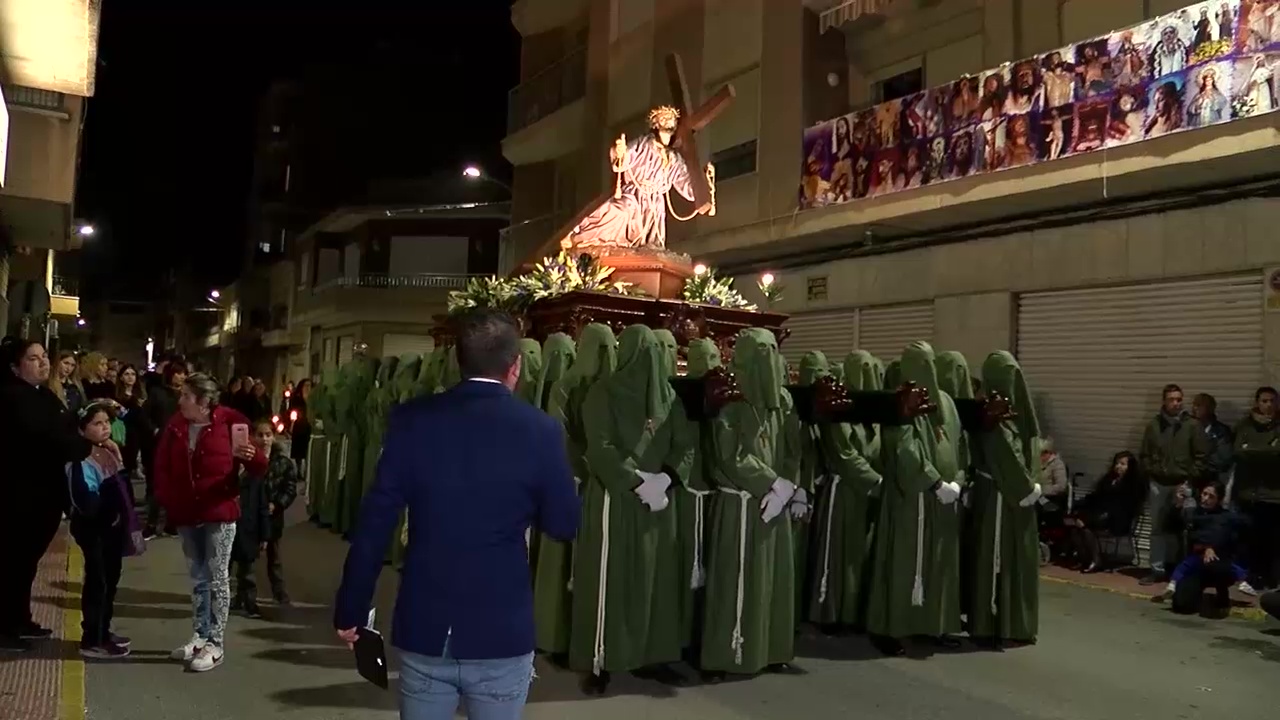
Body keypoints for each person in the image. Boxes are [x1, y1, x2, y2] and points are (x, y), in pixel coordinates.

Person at [333, 308, 580, 720]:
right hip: (500, 626)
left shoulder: (411, 420)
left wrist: (352, 608)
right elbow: (564, 523)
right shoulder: (540, 430)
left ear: (456, 362)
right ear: (515, 365)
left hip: (425, 623)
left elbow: (375, 523)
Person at [569, 325, 695, 694]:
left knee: (656, 580)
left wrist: (666, 479)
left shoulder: (669, 396)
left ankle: (653, 654)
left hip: (655, 500)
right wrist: (641, 481)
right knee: (611, 579)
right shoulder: (603, 392)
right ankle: (601, 657)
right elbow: (599, 447)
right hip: (617, 498)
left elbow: (684, 445)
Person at [699, 328, 802, 678]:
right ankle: (725, 655)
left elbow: (791, 450)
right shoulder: (730, 402)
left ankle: (772, 649)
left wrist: (787, 486)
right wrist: (770, 482)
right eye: (762, 353)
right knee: (735, 581)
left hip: (775, 502)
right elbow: (731, 456)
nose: (771, 360)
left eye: (774, 351)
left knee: (773, 580)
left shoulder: (782, 403)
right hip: (741, 504)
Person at [154, 373, 267, 673]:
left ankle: (215, 643)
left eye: (186, 396)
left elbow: (259, 466)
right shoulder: (176, 425)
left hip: (219, 512)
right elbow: (162, 465)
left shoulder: (230, 420)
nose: (180, 401)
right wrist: (168, 499)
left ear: (204, 402)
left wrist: (252, 455)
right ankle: (200, 634)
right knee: (198, 576)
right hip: (187, 514)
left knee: (218, 578)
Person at [865, 341, 965, 657]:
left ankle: (933, 622)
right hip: (911, 500)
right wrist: (934, 481)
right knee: (903, 561)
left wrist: (959, 478)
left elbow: (959, 442)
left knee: (938, 563)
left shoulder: (946, 402)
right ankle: (892, 628)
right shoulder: (899, 402)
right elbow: (903, 448)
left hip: (943, 498)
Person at [0, 340, 100, 652]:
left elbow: (63, 428)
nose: (44, 363)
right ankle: (5, 627)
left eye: (45, 357)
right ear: (16, 367)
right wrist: (85, 444)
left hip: (42, 494)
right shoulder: (13, 397)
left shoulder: (42, 394)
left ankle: (19, 618)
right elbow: (48, 439)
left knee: (26, 562)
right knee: (12, 562)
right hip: (19, 495)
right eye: (33, 359)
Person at [968, 352, 1043, 648]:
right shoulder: (991, 417)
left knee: (1013, 560)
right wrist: (1027, 487)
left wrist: (1032, 483)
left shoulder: (1011, 414)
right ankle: (994, 622)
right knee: (997, 559)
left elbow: (1029, 445)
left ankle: (1011, 621)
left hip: (1012, 496)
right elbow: (1005, 455)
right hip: (1002, 497)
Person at [808, 350, 883, 634]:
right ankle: (832, 612)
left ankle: (855, 611)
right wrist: (874, 480)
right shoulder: (838, 409)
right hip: (845, 490)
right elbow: (843, 453)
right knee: (839, 555)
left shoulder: (872, 413)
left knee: (860, 556)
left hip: (867, 492)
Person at [67, 401, 136, 659]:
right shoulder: (81, 459)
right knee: (98, 581)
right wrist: (108, 516)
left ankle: (103, 631)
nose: (104, 427)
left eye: (107, 422)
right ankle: (92, 638)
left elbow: (123, 486)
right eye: (97, 423)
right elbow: (85, 500)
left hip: (111, 528)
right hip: (95, 529)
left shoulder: (107, 450)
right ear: (82, 429)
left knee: (110, 578)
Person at [1138, 384, 1208, 585]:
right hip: (1158, 484)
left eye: (1179, 399)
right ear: (1164, 401)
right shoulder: (1153, 425)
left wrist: (1189, 480)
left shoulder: (1192, 425)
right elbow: (1144, 454)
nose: (1176, 403)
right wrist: (1152, 470)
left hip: (1182, 484)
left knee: (1184, 528)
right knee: (1158, 528)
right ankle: (1157, 569)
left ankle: (1182, 570)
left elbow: (1202, 456)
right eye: (1171, 399)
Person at [1153, 482, 1248, 617]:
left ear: (1218, 500)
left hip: (1219, 564)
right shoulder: (1193, 513)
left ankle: (1222, 595)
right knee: (1181, 605)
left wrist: (1212, 546)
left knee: (1215, 565)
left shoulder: (1226, 517)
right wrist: (1178, 505)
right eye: (1204, 494)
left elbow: (1224, 535)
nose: (1206, 499)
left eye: (1211, 496)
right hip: (1195, 565)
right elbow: (1170, 527)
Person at [1231, 386, 1280, 595]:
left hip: (1274, 494)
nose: (1268, 405)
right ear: (1257, 402)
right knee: (1252, 540)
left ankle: (1274, 580)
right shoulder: (1245, 425)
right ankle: (1254, 579)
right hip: (1249, 492)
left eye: (1272, 401)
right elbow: (1237, 451)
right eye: (1264, 401)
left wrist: (1251, 451)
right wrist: (1267, 451)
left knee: (1274, 541)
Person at [1067, 451, 1147, 572]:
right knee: (1074, 525)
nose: (1118, 466)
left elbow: (1125, 506)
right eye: (1117, 463)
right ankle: (1084, 559)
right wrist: (1079, 504)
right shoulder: (1109, 479)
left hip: (1119, 519)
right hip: (1103, 515)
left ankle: (1096, 560)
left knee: (1084, 525)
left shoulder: (1134, 484)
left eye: (1123, 464)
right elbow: (1096, 496)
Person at [230, 419, 275, 619]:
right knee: (224, 569)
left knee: (247, 572)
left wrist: (265, 535)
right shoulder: (228, 466)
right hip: (229, 524)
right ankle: (229, 601)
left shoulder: (255, 472)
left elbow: (262, 506)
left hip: (249, 528)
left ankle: (248, 602)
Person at [143, 360, 186, 539]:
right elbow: (145, 415)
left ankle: (172, 523)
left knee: (177, 484)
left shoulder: (187, 395)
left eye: (184, 373)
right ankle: (152, 524)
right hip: (159, 443)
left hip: (180, 444)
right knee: (156, 484)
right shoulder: (157, 393)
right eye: (178, 372)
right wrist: (155, 430)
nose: (182, 376)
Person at [116, 364, 151, 495]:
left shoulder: (141, 394)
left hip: (140, 434)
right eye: (126, 374)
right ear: (121, 377)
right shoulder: (118, 396)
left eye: (133, 374)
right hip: (126, 434)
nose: (130, 377)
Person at [49, 349, 87, 415]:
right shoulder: (48, 383)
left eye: (72, 365)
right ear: (57, 362)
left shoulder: (75, 386)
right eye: (66, 363)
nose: (69, 368)